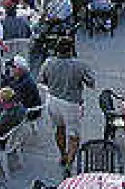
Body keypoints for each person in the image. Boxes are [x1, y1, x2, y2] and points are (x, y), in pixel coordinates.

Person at [38, 37, 95, 171]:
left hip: (52, 101)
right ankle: (69, 164)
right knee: (74, 136)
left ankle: (63, 155)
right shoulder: (80, 65)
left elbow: (42, 80)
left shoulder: (48, 63)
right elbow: (91, 83)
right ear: (71, 50)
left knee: (59, 129)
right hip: (71, 104)